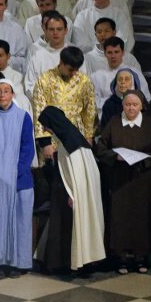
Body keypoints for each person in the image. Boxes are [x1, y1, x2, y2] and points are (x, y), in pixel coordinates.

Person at [95, 89, 151, 275]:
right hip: (120, 180)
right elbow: (101, 147)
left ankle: (141, 257)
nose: (131, 108)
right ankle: (121, 258)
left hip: (142, 180)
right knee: (121, 218)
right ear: (122, 106)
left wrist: (144, 161)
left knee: (141, 218)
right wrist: (114, 156)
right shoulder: (114, 123)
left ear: (141, 106)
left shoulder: (149, 125)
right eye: (127, 105)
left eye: (134, 105)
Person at [35, 106, 107, 275]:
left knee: (73, 227)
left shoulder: (67, 144)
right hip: (79, 193)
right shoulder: (75, 139)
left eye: (46, 125)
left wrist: (73, 194)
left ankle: (74, 263)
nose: (45, 129)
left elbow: (73, 173)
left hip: (72, 195)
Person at [0, 79, 35, 278]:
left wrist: (15, 172)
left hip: (18, 180)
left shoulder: (23, 117)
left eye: (6, 91)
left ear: (13, 94)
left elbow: (28, 148)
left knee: (19, 223)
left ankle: (17, 263)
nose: (2, 95)